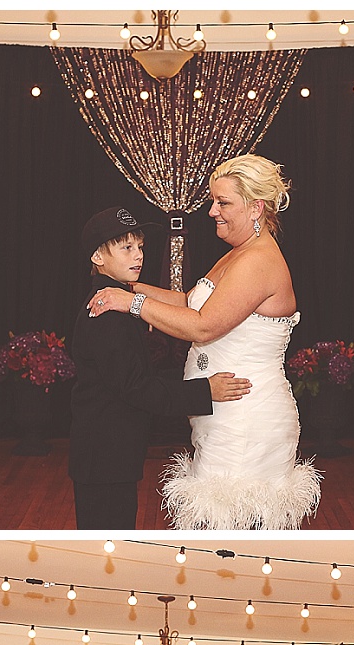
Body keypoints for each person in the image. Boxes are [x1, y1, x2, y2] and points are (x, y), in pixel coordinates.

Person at [87, 154, 321, 530]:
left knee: (234, 531)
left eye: (223, 202)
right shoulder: (239, 254)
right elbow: (187, 302)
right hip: (224, 413)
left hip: (246, 417)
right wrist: (127, 287)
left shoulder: (258, 262)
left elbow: (203, 327)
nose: (212, 211)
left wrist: (132, 303)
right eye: (214, 201)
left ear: (256, 208)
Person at [69, 206, 252, 529]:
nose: (138, 255)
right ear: (97, 256)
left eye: (140, 246)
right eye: (126, 247)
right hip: (104, 457)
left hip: (109, 455)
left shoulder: (118, 300)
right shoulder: (107, 312)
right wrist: (205, 391)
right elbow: (136, 387)